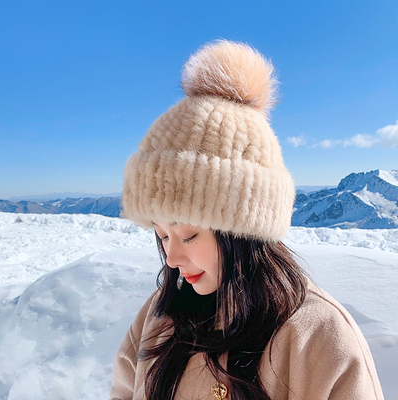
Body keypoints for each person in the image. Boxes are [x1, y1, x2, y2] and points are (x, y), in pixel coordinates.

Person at [109, 40, 384, 400]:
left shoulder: (316, 337)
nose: (172, 259)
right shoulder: (160, 319)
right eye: (161, 235)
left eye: (188, 235)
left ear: (244, 233)